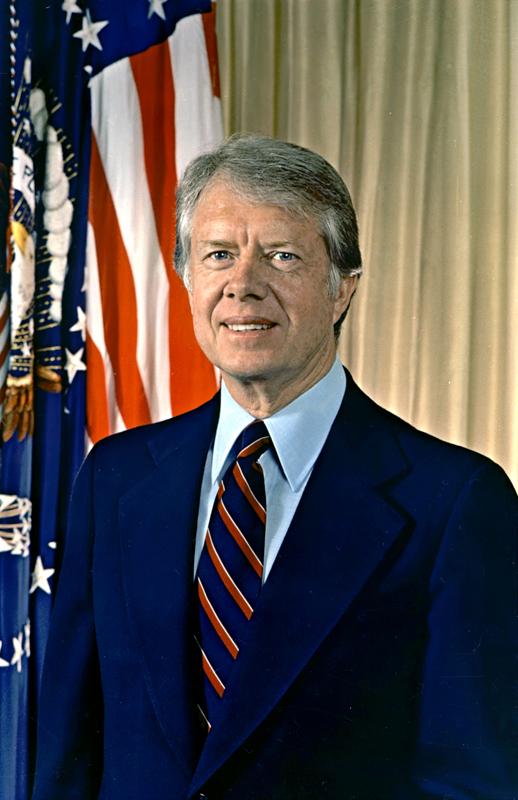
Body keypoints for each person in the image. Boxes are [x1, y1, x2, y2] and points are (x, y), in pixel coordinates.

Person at [32, 134, 517, 800]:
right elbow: (67, 759)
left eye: (281, 255)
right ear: (188, 279)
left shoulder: (455, 501)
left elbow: (472, 783)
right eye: (219, 254)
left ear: (342, 289)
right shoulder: (116, 478)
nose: (243, 284)